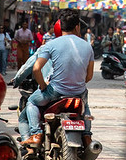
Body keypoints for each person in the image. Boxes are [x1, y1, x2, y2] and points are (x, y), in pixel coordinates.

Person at [21, 9, 95, 146]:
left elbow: (36, 68)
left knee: (31, 102)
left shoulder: (51, 44)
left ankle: (36, 134)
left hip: (55, 92)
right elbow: (89, 76)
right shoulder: (88, 46)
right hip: (78, 92)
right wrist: (78, 82)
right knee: (85, 104)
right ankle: (86, 136)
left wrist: (43, 85)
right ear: (77, 27)